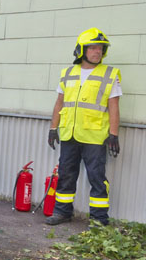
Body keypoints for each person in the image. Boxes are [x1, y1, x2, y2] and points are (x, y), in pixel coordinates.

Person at [46, 28, 121, 227]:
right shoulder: (68, 73)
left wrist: (113, 134)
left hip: (95, 137)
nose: (98, 52)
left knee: (97, 178)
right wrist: (54, 128)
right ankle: (62, 212)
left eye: (101, 49)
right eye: (93, 48)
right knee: (66, 174)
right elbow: (59, 103)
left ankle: (99, 220)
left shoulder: (110, 74)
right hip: (69, 134)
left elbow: (114, 106)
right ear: (81, 50)